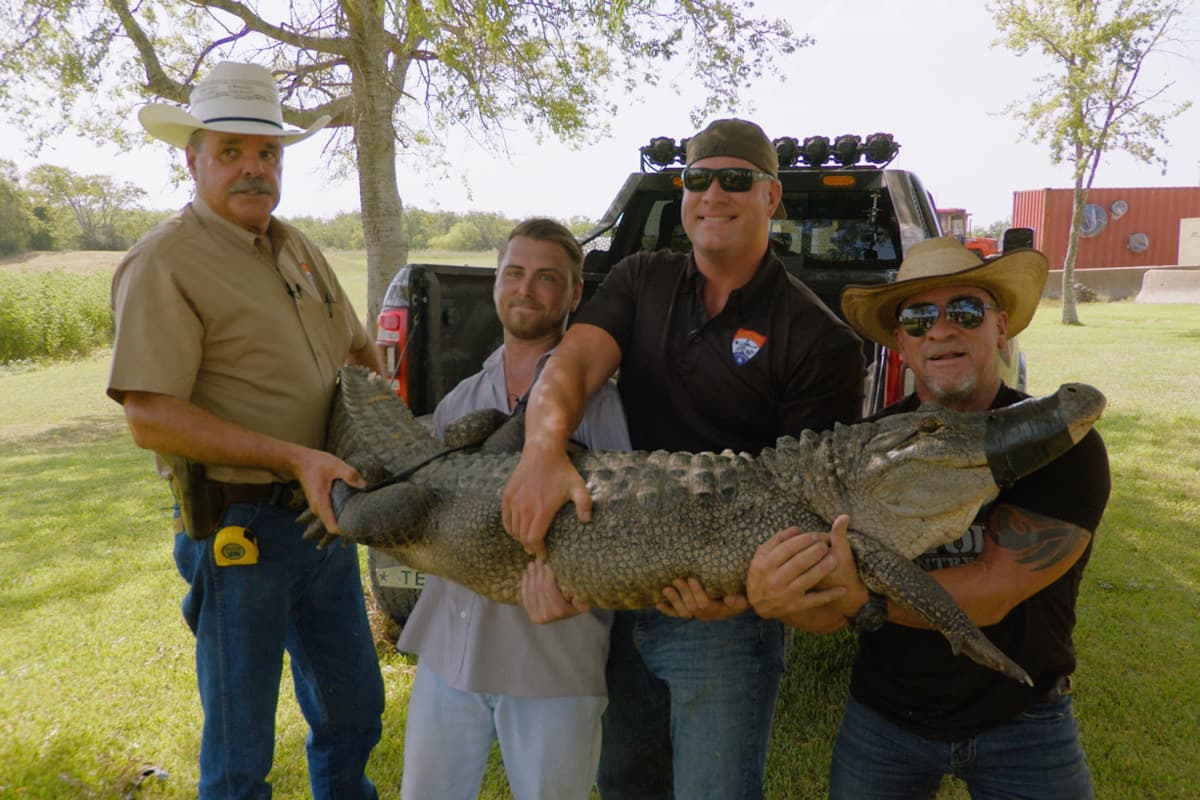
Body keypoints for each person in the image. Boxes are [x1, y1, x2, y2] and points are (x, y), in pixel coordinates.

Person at [502, 119, 865, 799]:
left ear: (771, 197)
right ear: (682, 192)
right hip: (620, 576)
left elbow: (814, 509)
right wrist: (541, 447)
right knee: (625, 782)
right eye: (699, 180)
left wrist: (739, 599)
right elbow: (575, 361)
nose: (714, 194)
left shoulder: (819, 339)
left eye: (737, 180)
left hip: (724, 621)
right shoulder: (642, 278)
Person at [746, 235, 1111, 799]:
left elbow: (993, 588)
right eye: (918, 318)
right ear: (901, 343)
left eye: (965, 310)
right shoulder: (862, 450)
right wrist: (777, 598)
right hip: (885, 717)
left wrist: (859, 599)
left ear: (1000, 326)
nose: (940, 330)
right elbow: (825, 599)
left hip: (1025, 717)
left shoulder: (1063, 444)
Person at [107, 61, 385, 799]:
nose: (254, 170)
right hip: (238, 533)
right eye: (230, 152)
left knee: (355, 714)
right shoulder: (164, 260)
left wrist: (378, 416)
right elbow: (148, 415)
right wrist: (295, 456)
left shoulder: (297, 247)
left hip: (323, 524)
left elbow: (359, 353)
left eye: (267, 154)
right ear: (191, 157)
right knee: (239, 754)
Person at [396, 218, 631, 799]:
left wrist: (578, 594)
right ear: (496, 284)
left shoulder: (600, 404)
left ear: (575, 295)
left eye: (547, 277)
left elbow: (622, 524)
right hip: (449, 652)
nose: (527, 288)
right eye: (515, 273)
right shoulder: (460, 401)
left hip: (553, 657)